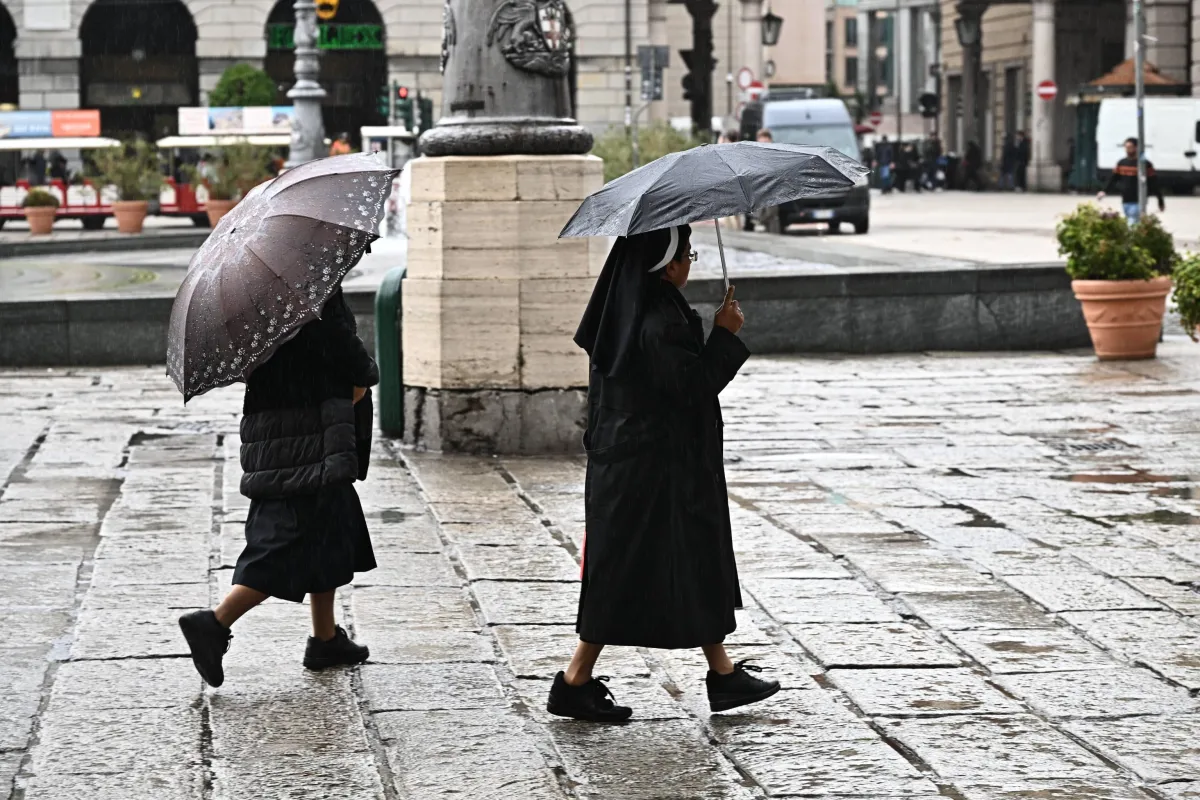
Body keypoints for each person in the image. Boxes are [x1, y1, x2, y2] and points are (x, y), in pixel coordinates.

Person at [547, 225, 781, 723]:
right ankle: (575, 681)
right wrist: (725, 335)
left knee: (680, 561)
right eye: (687, 253)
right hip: (652, 470)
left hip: (644, 464)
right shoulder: (657, 319)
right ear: (668, 264)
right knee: (626, 572)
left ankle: (722, 673)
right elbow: (690, 387)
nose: (691, 261)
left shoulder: (631, 308)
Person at [178, 289, 379, 687]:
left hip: (271, 425)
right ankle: (215, 622)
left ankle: (325, 639)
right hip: (311, 432)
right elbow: (347, 353)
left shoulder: (253, 294)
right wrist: (366, 371)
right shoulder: (312, 289)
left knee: (329, 530)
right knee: (285, 542)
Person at [1098, 137, 1165, 225]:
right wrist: (1104, 191)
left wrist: (1160, 200)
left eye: (1130, 147)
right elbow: (1114, 179)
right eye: (1126, 147)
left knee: (1132, 222)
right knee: (1132, 222)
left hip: (1139, 200)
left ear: (1136, 148)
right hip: (1126, 200)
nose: (1127, 150)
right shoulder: (1121, 163)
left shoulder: (1145, 164)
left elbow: (1154, 183)